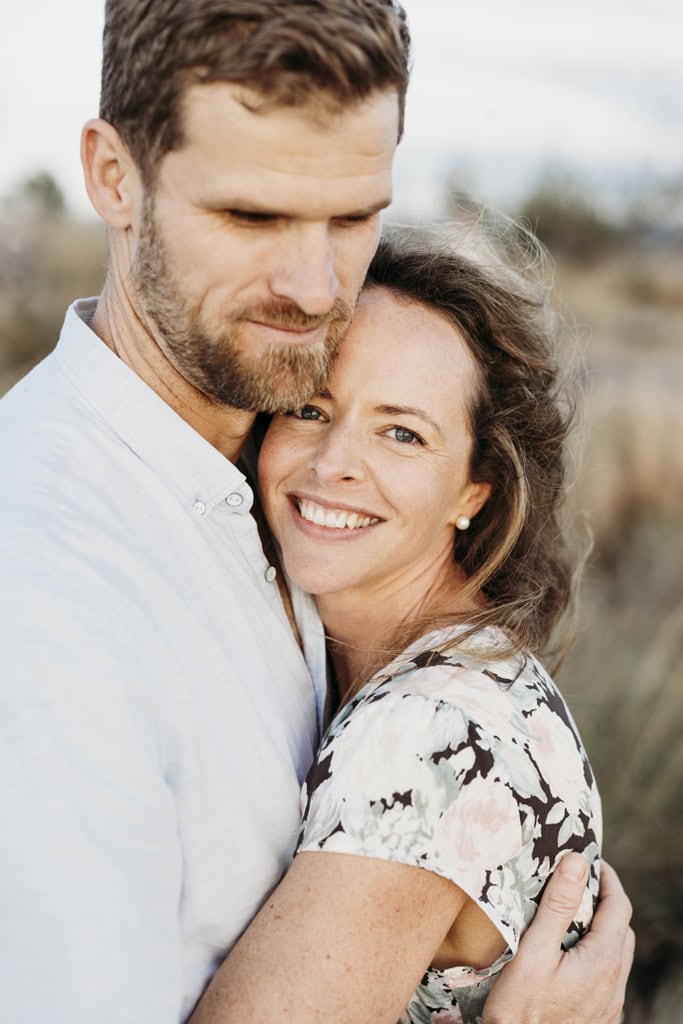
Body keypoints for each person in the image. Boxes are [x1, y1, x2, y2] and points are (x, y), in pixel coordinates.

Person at [0, 2, 633, 1022]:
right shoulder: (45, 600)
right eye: (252, 217)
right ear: (113, 177)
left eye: (352, 218)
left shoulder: (258, 479)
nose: (313, 287)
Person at [179, 221, 610, 1023]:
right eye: (311, 408)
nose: (334, 459)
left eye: (401, 432)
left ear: (473, 491)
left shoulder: (423, 737)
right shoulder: (475, 668)